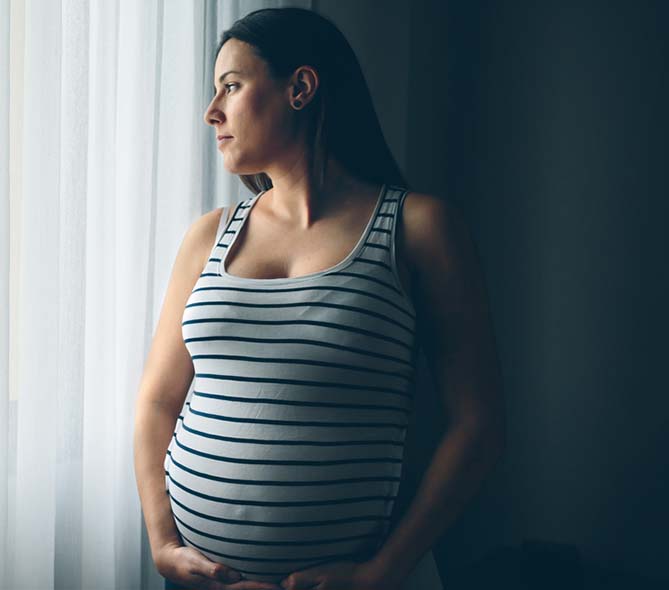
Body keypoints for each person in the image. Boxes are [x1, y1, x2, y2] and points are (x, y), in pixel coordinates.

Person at [133, 7, 505, 590]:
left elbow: (477, 425)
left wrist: (380, 572)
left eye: (230, 86)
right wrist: (162, 545)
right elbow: (157, 403)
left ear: (301, 88)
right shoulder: (208, 236)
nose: (211, 112)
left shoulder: (419, 229)